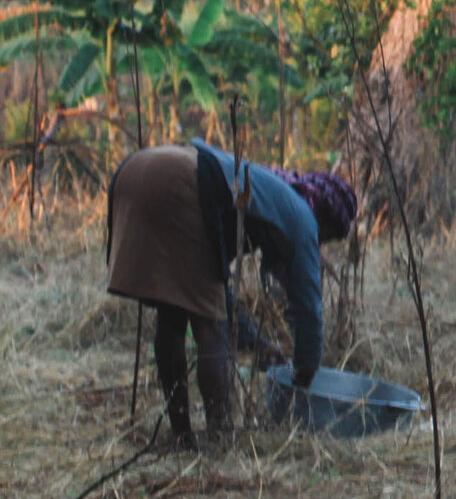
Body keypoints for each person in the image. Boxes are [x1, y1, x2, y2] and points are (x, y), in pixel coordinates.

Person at [103, 140, 357, 442]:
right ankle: (220, 436)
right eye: (328, 236)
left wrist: (256, 344)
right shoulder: (303, 218)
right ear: (326, 220)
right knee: (212, 327)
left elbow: (213, 287)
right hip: (185, 179)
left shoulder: (266, 191)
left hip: (134, 170)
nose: (322, 244)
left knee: (172, 312)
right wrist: (304, 376)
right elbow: (309, 310)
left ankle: (183, 434)